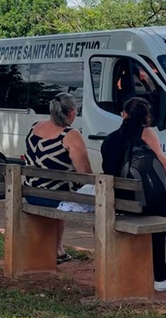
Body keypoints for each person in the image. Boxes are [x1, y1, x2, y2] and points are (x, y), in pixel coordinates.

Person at [101, 97, 166, 292]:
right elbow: (162, 163)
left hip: (119, 201)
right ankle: (160, 276)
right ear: (146, 117)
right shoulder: (147, 133)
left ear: (124, 114)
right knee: (160, 213)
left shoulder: (110, 139)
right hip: (144, 203)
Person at [24, 92, 92, 264]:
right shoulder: (70, 135)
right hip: (54, 197)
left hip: (31, 193)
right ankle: (58, 248)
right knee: (82, 197)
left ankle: (55, 248)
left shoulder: (35, 127)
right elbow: (85, 173)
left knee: (62, 192)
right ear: (71, 113)